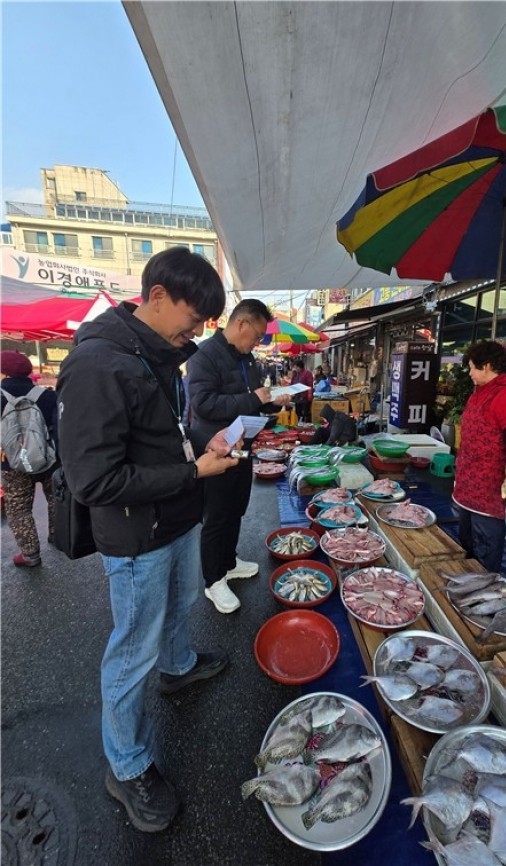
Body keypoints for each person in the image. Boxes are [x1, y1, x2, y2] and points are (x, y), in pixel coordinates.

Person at [56, 247, 240, 833]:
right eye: (195, 316)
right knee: (133, 648)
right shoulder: (98, 363)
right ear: (157, 296)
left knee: (178, 604)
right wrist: (192, 472)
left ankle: (178, 665)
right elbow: (93, 480)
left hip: (175, 516)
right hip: (137, 534)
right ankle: (127, 764)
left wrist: (202, 447)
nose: (199, 330)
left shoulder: (154, 354)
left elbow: (162, 437)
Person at [188, 299, 292, 614]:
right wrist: (252, 398)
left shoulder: (247, 359)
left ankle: (229, 562)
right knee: (217, 515)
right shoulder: (204, 356)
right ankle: (213, 580)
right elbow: (204, 404)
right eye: (257, 335)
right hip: (216, 447)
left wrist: (274, 401)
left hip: (244, 443)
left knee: (236, 507)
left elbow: (255, 400)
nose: (257, 342)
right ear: (241, 324)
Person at [452, 340, 506, 572]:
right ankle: (467, 575)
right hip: (468, 479)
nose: (469, 373)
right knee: (466, 538)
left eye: (472, 368)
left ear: (485, 366)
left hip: (488, 483)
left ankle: (485, 582)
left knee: (486, 542)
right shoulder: (480, 392)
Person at [0, 351, 58, 567]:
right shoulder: (48, 396)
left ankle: (30, 554)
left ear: (3, 372)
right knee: (55, 498)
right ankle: (58, 535)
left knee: (18, 508)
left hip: (12, 462)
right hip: (48, 458)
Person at [290, 358, 314, 422]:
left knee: (305, 413)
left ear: (299, 367)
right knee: (298, 413)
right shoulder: (296, 374)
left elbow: (310, 385)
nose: (294, 368)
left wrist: (308, 395)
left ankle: (306, 425)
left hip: (305, 398)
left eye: (295, 367)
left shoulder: (307, 373)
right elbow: (292, 384)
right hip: (297, 398)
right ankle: (300, 424)